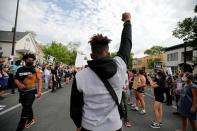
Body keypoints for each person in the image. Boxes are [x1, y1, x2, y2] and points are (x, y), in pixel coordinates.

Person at [70, 12, 132, 131]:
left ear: (92, 55)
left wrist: (78, 125)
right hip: (115, 126)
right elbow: (126, 44)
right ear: (109, 53)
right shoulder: (120, 66)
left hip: (88, 126)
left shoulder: (79, 76)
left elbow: (75, 107)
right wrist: (127, 22)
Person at [15, 53, 42, 131]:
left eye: (32, 60)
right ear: (25, 60)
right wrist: (19, 84)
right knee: (26, 106)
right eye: (29, 60)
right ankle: (31, 119)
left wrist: (39, 91)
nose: (30, 61)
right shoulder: (20, 69)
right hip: (22, 92)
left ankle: (19, 128)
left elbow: (40, 80)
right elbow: (16, 78)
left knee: (25, 111)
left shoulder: (35, 70)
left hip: (31, 92)